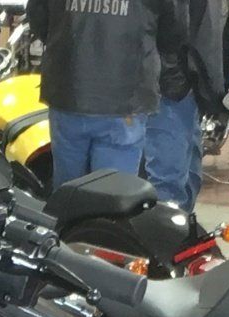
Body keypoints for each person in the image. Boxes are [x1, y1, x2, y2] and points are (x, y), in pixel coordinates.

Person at [25, 0, 184, 190]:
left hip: (68, 89)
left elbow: (38, 16)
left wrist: (63, 40)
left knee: (67, 194)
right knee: (112, 198)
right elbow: (175, 31)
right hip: (125, 95)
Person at [145, 0, 225, 206]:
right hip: (170, 87)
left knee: (189, 177)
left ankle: (180, 232)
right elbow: (171, 31)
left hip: (187, 87)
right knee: (168, 184)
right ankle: (166, 235)